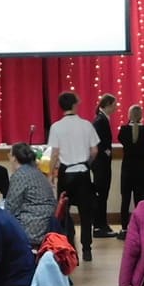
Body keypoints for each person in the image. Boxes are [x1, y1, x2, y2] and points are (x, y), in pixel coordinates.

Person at [46, 91, 99, 264]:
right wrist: (86, 164)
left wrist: (50, 175)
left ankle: (69, 247)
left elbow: (54, 153)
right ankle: (87, 249)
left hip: (65, 174)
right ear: (75, 105)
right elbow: (94, 151)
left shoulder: (56, 127)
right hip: (83, 172)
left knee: (64, 212)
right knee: (86, 212)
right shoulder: (86, 125)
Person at [5, 143, 56, 247]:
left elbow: (11, 207)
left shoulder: (20, 175)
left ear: (14, 158)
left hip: (33, 227)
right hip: (45, 222)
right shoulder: (37, 172)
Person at [116, 105, 144, 233]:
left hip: (127, 169)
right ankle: (140, 226)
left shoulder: (124, 130)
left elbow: (121, 140)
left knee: (125, 199)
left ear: (129, 115)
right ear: (141, 115)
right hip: (141, 169)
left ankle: (124, 227)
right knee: (139, 200)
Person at [91, 94, 117, 238]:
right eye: (114, 104)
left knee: (103, 194)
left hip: (102, 162)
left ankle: (102, 223)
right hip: (100, 163)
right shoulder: (100, 120)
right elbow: (98, 141)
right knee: (101, 194)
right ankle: (98, 225)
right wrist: (106, 152)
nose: (116, 107)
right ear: (107, 104)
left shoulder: (103, 119)